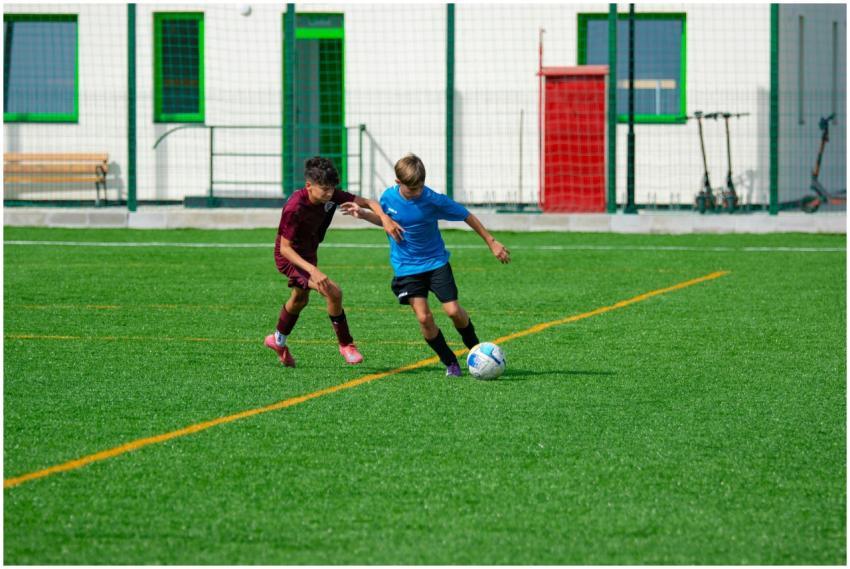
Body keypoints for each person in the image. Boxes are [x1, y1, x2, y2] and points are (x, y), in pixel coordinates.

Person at [341, 153, 510, 376]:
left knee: (453, 311)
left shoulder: (433, 199)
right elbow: (385, 220)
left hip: (436, 262)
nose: (418, 192)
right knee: (424, 317)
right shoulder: (387, 199)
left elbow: (466, 215)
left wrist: (492, 242)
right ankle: (450, 362)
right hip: (406, 267)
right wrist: (363, 214)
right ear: (398, 183)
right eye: (412, 189)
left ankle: (476, 352)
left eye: (420, 187)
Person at [265, 156, 404, 367]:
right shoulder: (295, 207)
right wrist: (314, 271)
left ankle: (277, 340)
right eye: (324, 189)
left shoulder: (330, 196)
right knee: (333, 292)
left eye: (332, 189)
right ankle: (346, 345)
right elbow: (285, 248)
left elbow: (368, 202)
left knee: (300, 299)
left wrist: (385, 220)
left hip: (309, 252)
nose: (330, 194)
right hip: (291, 257)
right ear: (309, 186)